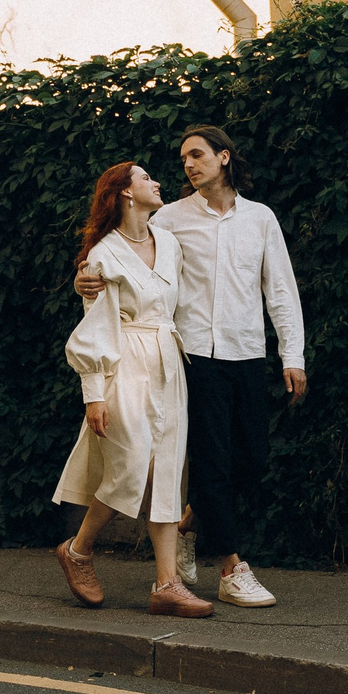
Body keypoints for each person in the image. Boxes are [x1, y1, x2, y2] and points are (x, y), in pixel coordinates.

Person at [79, 123, 302, 609]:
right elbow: (124, 246)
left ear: (224, 158)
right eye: (183, 159)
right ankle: (230, 568)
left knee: (253, 460)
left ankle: (187, 523)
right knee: (212, 464)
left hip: (246, 351)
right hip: (192, 356)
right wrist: (87, 278)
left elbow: (280, 290)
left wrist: (294, 355)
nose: (188, 165)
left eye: (197, 155)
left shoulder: (261, 219)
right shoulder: (171, 219)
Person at [52, 160, 214, 618]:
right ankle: (78, 550)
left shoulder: (169, 242)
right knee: (131, 464)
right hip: (124, 362)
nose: (157, 181)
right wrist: (93, 392)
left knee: (166, 470)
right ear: (124, 193)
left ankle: (167, 584)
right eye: (146, 177)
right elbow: (95, 327)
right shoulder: (103, 254)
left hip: (168, 360)